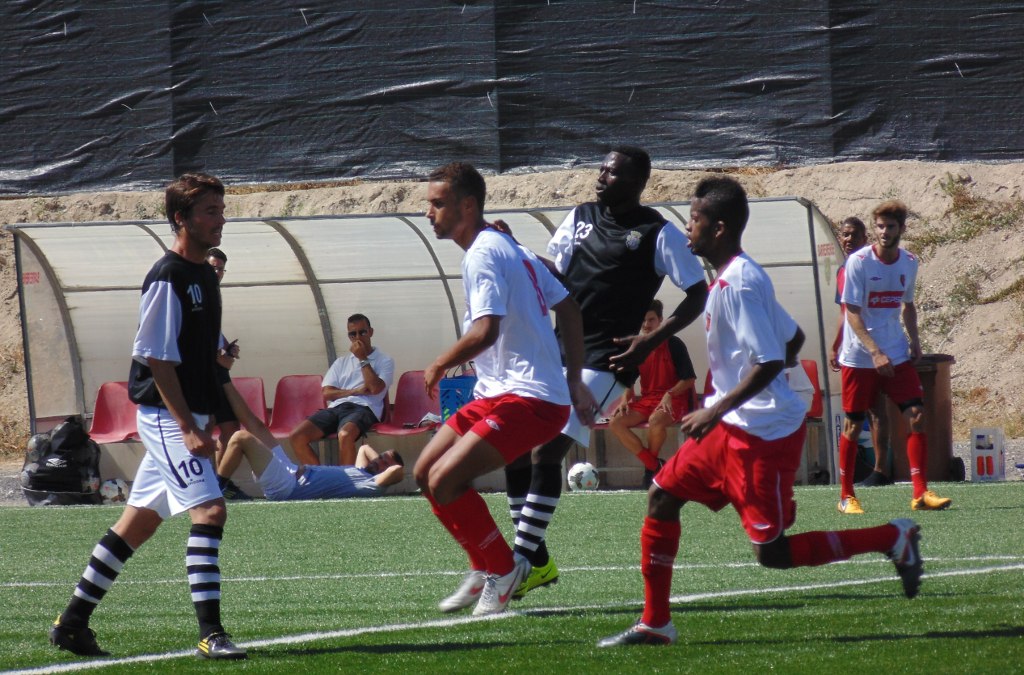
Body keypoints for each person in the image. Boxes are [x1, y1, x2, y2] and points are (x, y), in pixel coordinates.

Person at [599, 176, 923, 648]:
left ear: (719, 228)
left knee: (772, 553)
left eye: (695, 220)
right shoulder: (734, 276)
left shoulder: (740, 283)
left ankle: (892, 538)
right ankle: (655, 622)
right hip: (732, 426)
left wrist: (718, 407)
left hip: (760, 434)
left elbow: (771, 359)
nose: (688, 228)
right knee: (662, 496)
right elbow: (792, 339)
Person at [48, 173, 247, 659]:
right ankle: (211, 633)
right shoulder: (168, 276)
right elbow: (157, 360)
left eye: (221, 210)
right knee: (211, 510)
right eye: (210, 212)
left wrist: (217, 419)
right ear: (181, 219)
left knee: (137, 523)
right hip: (165, 415)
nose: (220, 220)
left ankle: (71, 624)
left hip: (186, 414)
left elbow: (202, 362)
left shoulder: (205, 275)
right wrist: (187, 426)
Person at [505, 146, 708, 600]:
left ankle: (517, 563)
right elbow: (556, 273)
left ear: (637, 182)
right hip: (557, 350)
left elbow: (698, 293)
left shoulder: (657, 232)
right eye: (600, 169)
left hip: (607, 360)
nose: (600, 177)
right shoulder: (580, 216)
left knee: (546, 452)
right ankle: (537, 562)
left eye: (611, 172)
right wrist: (516, 249)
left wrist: (649, 341)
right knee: (514, 449)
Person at [414, 162, 597, 617]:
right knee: (425, 472)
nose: (428, 212)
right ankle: (484, 567)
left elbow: (486, 331)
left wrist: (439, 363)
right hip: (497, 393)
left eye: (437, 203)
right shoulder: (507, 246)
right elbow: (570, 308)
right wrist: (574, 379)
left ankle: (503, 569)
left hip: (529, 398)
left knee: (444, 479)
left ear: (467, 206)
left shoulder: (484, 252)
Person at [836, 201, 951, 514]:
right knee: (853, 425)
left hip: (896, 352)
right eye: (880, 226)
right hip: (860, 356)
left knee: (916, 414)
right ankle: (846, 496)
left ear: (902, 229)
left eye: (890, 226)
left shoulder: (909, 262)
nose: (884, 232)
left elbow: (908, 305)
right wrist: (874, 352)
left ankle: (920, 492)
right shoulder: (858, 262)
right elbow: (852, 312)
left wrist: (915, 342)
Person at [829, 218, 891, 487]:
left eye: (854, 235)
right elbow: (844, 311)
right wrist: (837, 344)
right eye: (845, 235)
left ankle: (880, 469)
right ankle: (866, 471)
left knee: (874, 409)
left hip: (870, 346)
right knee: (862, 411)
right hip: (855, 348)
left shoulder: (869, 266)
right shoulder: (844, 269)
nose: (848, 240)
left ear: (865, 238)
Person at [608, 299, 696, 488]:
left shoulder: (674, 343)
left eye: (651, 320)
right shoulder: (638, 346)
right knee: (615, 422)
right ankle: (654, 466)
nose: (646, 324)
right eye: (643, 320)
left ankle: (650, 471)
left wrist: (669, 394)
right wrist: (624, 400)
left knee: (656, 421)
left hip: (675, 400)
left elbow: (689, 379)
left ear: (661, 320)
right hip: (648, 400)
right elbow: (629, 382)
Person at [288, 314, 395, 466]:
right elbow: (326, 393)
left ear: (371, 332)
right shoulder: (341, 362)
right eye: (353, 334)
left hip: (364, 408)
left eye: (362, 332)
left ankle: (345, 480)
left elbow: (375, 388)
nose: (358, 337)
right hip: (336, 407)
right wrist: (355, 391)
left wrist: (362, 359)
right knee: (297, 436)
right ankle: (321, 477)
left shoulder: (385, 360)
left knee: (345, 435)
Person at [218, 430, 404, 500]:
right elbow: (364, 449)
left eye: (384, 463)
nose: (378, 460)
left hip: (288, 486)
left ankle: (217, 488)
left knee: (241, 437)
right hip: (291, 470)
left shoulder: (372, 484)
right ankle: (222, 375)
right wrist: (380, 460)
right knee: (256, 425)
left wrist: (384, 465)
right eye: (380, 458)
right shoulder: (361, 471)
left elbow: (397, 470)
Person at [205, 247, 248, 499]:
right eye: (213, 268)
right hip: (202, 375)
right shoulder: (194, 292)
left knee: (230, 427)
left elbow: (210, 333)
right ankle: (205, 485)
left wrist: (226, 349)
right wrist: (219, 357)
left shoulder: (213, 294)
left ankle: (220, 483)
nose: (217, 273)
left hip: (217, 373)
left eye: (221, 269)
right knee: (205, 427)